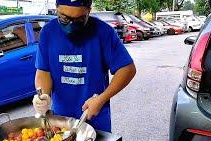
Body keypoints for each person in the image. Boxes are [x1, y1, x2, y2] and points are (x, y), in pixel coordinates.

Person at [32, 0, 136, 132]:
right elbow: (43, 71)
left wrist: (101, 99)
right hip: (60, 121)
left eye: (79, 20)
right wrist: (44, 97)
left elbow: (127, 69)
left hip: (94, 119)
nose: (71, 24)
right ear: (56, 9)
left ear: (89, 11)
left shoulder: (103, 32)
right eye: (64, 18)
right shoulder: (48, 32)